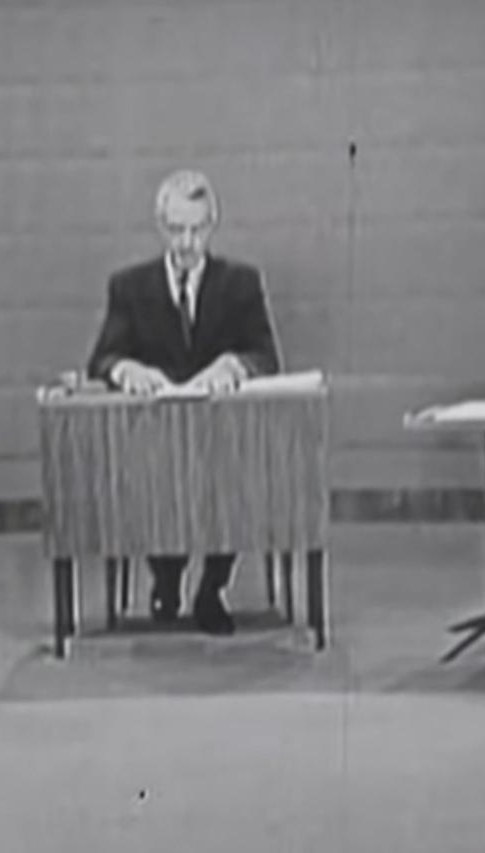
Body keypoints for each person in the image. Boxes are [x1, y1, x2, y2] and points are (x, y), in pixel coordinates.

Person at [86, 169, 281, 635]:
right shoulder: (129, 287)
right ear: (161, 227)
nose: (187, 242)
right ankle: (167, 581)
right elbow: (101, 358)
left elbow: (267, 357)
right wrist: (125, 371)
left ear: (212, 225)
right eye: (176, 230)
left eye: (196, 229)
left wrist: (234, 366)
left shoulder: (241, 283)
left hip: (221, 436)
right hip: (156, 437)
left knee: (232, 480)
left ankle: (212, 591)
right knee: (154, 479)